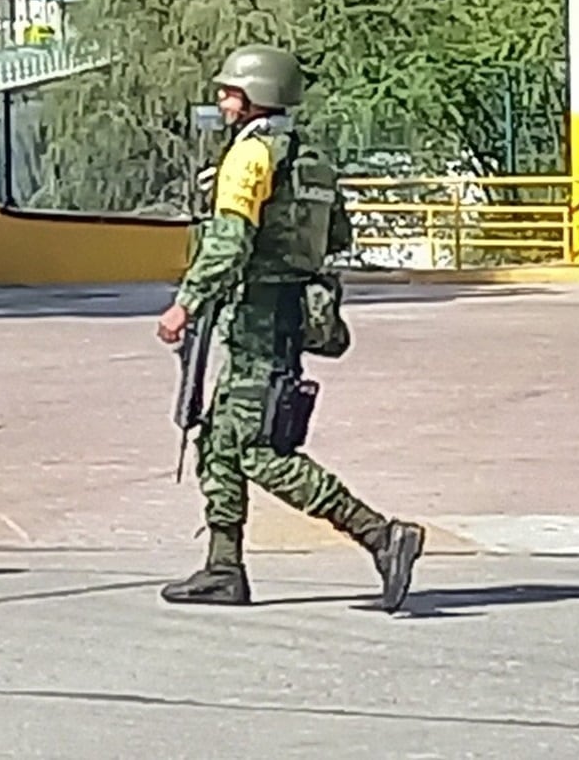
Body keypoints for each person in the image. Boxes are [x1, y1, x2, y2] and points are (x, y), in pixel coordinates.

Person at [156, 44, 426, 612]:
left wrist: (185, 303)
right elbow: (337, 239)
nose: (223, 100)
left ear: (258, 97)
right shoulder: (311, 160)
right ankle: (222, 568)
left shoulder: (250, 157)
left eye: (231, 91)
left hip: (256, 315)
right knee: (220, 444)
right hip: (289, 313)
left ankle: (381, 535)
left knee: (255, 448)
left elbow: (229, 242)